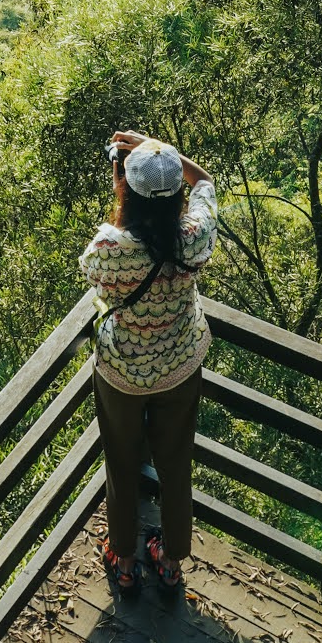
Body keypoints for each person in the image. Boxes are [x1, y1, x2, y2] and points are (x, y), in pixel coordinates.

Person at [79, 128, 217, 600]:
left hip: (122, 374)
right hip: (180, 366)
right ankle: (172, 560)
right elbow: (207, 184)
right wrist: (163, 152)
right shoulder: (194, 238)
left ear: (124, 188)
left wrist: (138, 165)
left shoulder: (108, 249)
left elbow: (93, 275)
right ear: (176, 190)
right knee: (176, 464)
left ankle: (122, 559)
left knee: (120, 463)